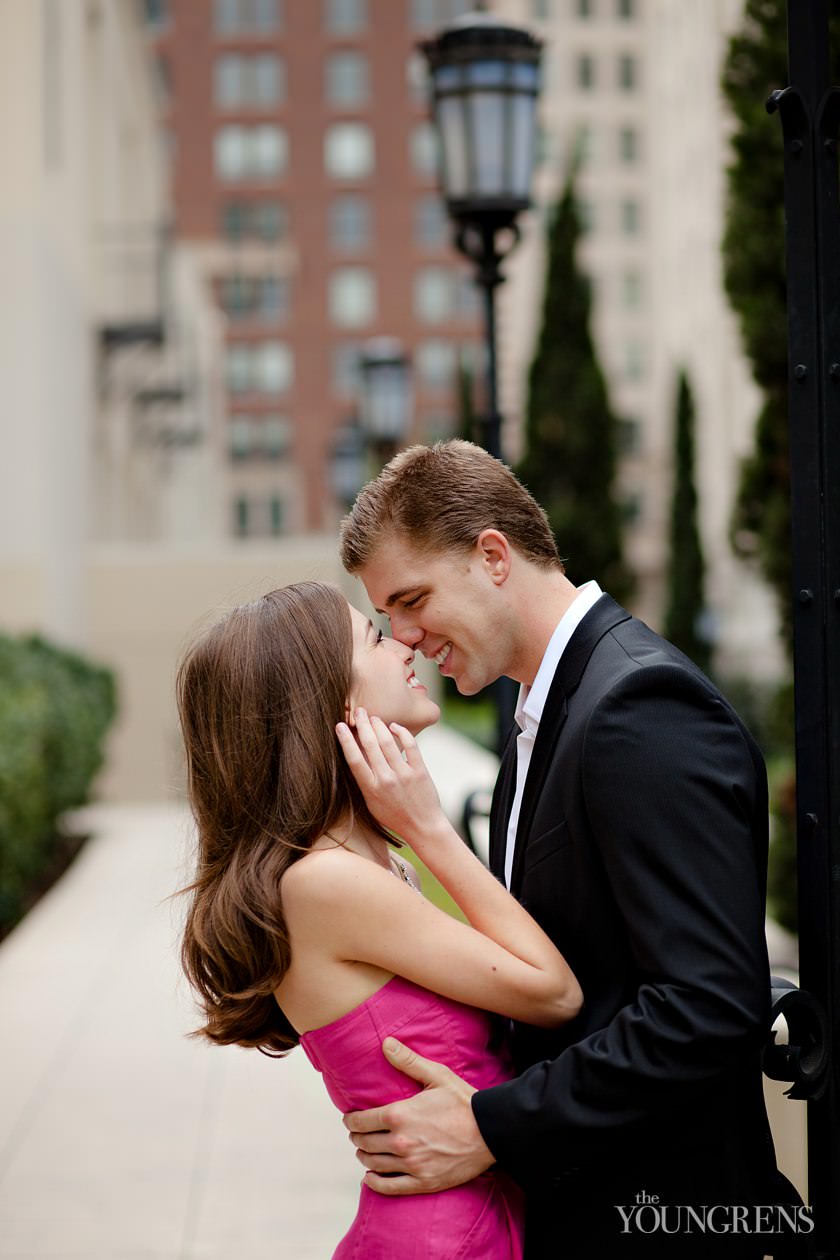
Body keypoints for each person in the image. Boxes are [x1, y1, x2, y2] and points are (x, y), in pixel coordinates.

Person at [337, 440, 806, 1259]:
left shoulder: (637, 706)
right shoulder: (539, 713)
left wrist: (493, 1126)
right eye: (386, 619)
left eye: (412, 600)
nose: (404, 639)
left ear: (492, 555)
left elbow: (705, 1006)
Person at [175, 580, 582, 1260]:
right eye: (373, 637)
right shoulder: (327, 882)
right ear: (328, 700)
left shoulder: (360, 864)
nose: (404, 647)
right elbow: (553, 993)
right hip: (445, 1238)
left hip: (470, 1217)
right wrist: (428, 826)